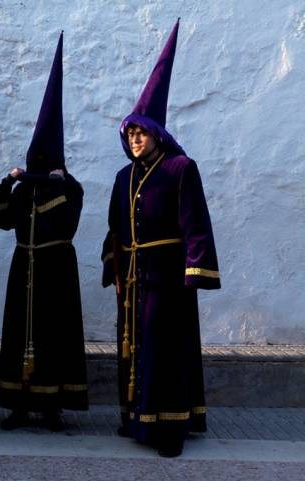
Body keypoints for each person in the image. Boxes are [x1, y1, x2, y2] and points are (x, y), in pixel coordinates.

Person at [101, 19, 221, 457]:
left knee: (165, 350)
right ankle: (135, 418)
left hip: (168, 278)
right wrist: (113, 266)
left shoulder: (180, 168)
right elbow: (115, 226)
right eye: (130, 133)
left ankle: (169, 429)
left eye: (142, 132)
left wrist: (194, 273)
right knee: (133, 349)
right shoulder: (122, 176)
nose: (135, 139)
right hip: (133, 278)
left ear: (157, 134)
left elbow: (195, 224)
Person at [0, 33, 88, 431]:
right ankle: (18, 404)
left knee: (54, 335)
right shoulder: (24, 189)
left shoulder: (69, 189)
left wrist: (63, 183)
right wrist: (6, 181)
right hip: (24, 266)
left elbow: (69, 223)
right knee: (18, 335)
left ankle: (52, 407)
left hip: (56, 267)